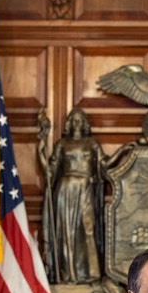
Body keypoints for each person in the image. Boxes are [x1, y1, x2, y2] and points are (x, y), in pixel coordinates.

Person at [47, 107, 104, 284]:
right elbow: (51, 170)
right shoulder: (61, 144)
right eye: (74, 119)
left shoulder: (93, 144)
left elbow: (104, 165)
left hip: (86, 188)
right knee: (67, 232)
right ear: (69, 123)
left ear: (85, 122)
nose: (77, 122)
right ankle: (68, 273)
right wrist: (41, 146)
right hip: (66, 188)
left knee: (88, 227)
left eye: (80, 119)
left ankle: (91, 273)